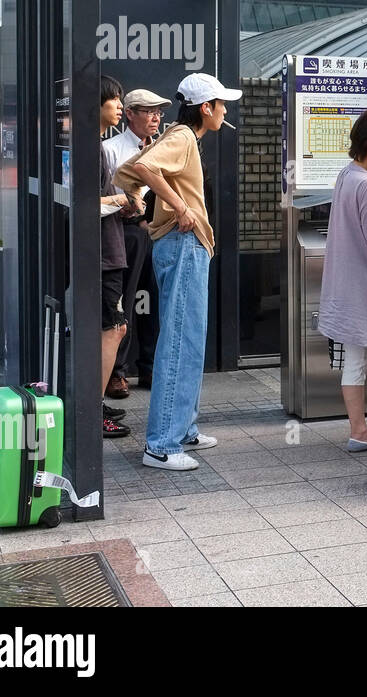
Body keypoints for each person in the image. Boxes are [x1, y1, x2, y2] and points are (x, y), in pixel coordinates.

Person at [115, 72, 241, 471]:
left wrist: (144, 200)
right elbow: (146, 168)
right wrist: (181, 208)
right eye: (221, 103)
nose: (224, 110)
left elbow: (130, 172)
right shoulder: (183, 136)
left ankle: (182, 430)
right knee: (179, 341)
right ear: (206, 108)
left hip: (186, 246)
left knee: (189, 340)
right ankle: (162, 444)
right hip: (183, 245)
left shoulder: (181, 136)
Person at [317, 109, 367, 451]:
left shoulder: (346, 174)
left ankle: (359, 428)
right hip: (363, 285)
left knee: (354, 360)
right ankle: (360, 430)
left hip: (345, 283)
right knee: (364, 358)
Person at [101, 87, 168, 397]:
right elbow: (107, 196)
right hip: (125, 231)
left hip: (158, 230)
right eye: (148, 110)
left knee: (156, 300)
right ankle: (117, 372)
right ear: (129, 114)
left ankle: (151, 367)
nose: (155, 117)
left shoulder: (165, 147)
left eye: (159, 112)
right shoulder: (110, 149)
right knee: (125, 303)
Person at [98, 76, 143, 439]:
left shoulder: (93, 143)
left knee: (115, 326)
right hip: (103, 254)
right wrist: (123, 201)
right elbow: (85, 204)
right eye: (114, 100)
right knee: (113, 328)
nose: (117, 105)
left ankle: (94, 403)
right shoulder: (97, 147)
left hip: (111, 246)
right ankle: (93, 409)